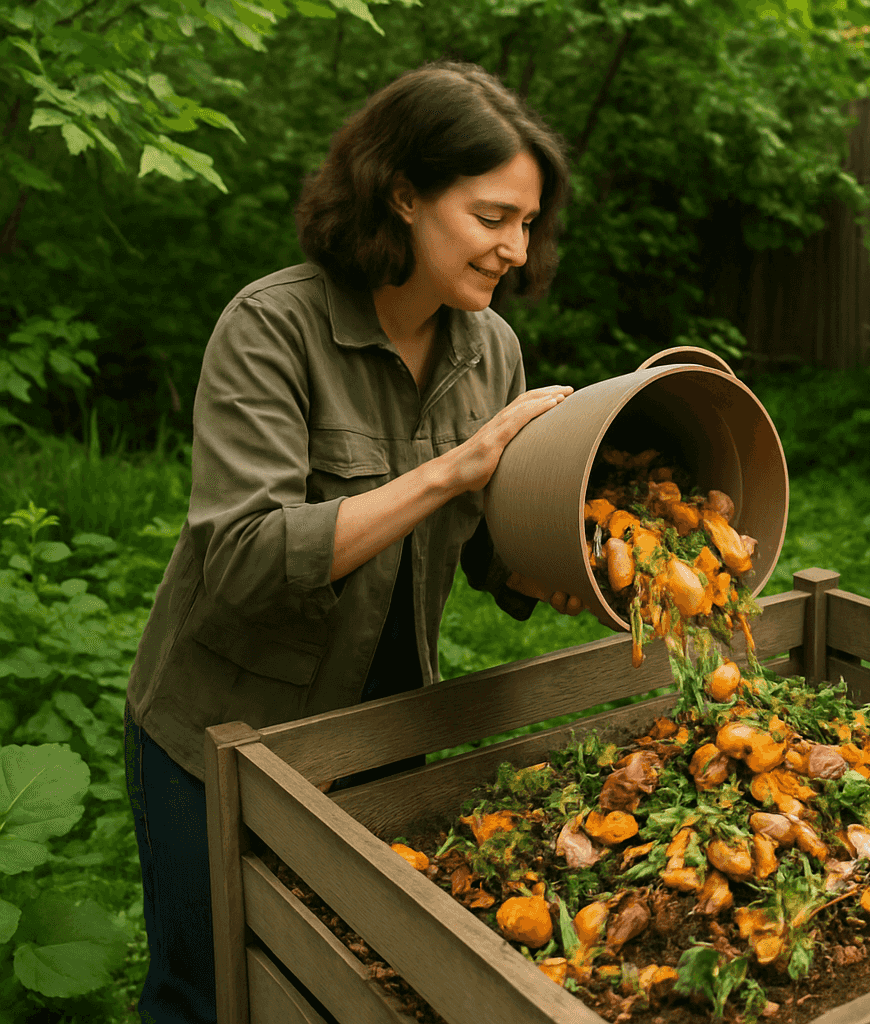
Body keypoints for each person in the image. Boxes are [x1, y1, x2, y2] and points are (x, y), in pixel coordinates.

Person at [123, 60, 583, 1024]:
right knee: (208, 991)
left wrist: (560, 562)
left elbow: (484, 541)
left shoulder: (488, 346)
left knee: (345, 984)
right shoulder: (272, 327)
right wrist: (450, 470)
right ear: (403, 195)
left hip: (382, 730)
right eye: (492, 216)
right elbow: (244, 558)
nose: (514, 248)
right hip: (221, 732)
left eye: (529, 223)